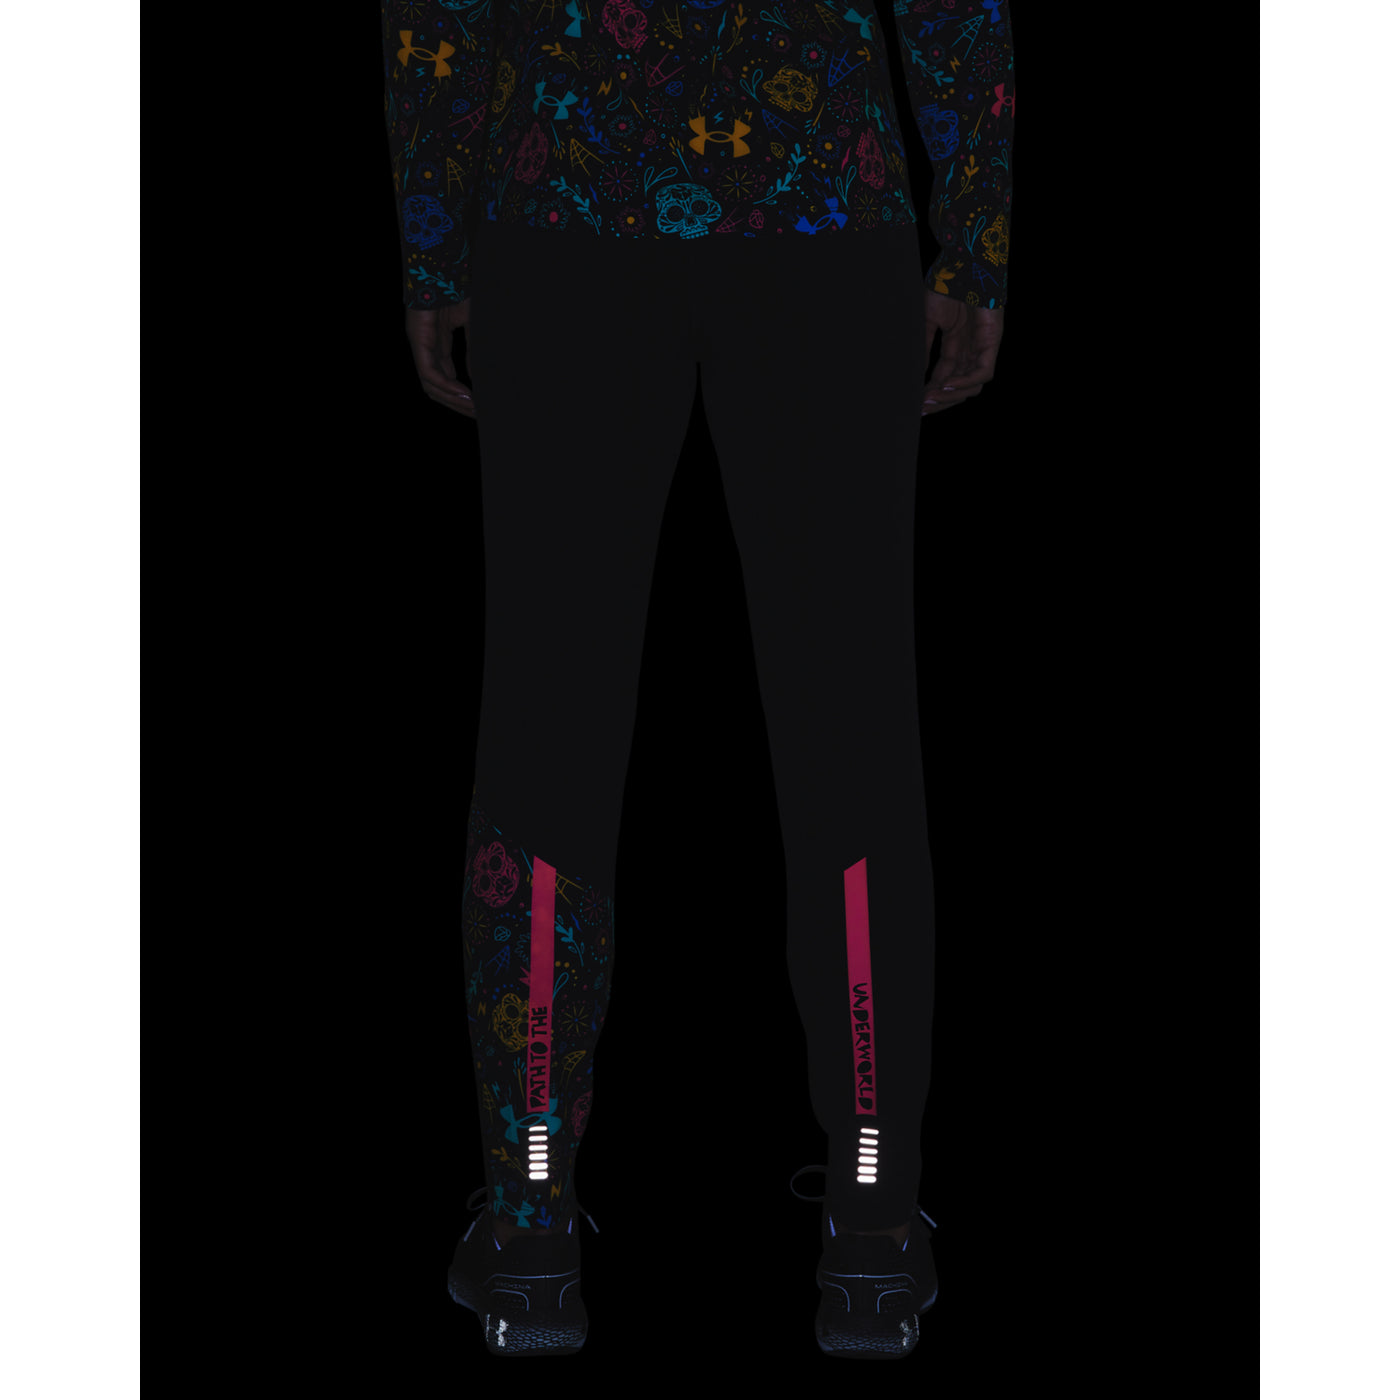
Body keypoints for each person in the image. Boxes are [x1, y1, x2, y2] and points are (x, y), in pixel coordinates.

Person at [383, 0, 1013, 1359]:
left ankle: (533, 1232)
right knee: (853, 736)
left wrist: (434, 236)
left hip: (564, 209)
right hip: (820, 208)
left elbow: (439, 15)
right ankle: (872, 1234)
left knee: (544, 740)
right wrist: (975, 232)